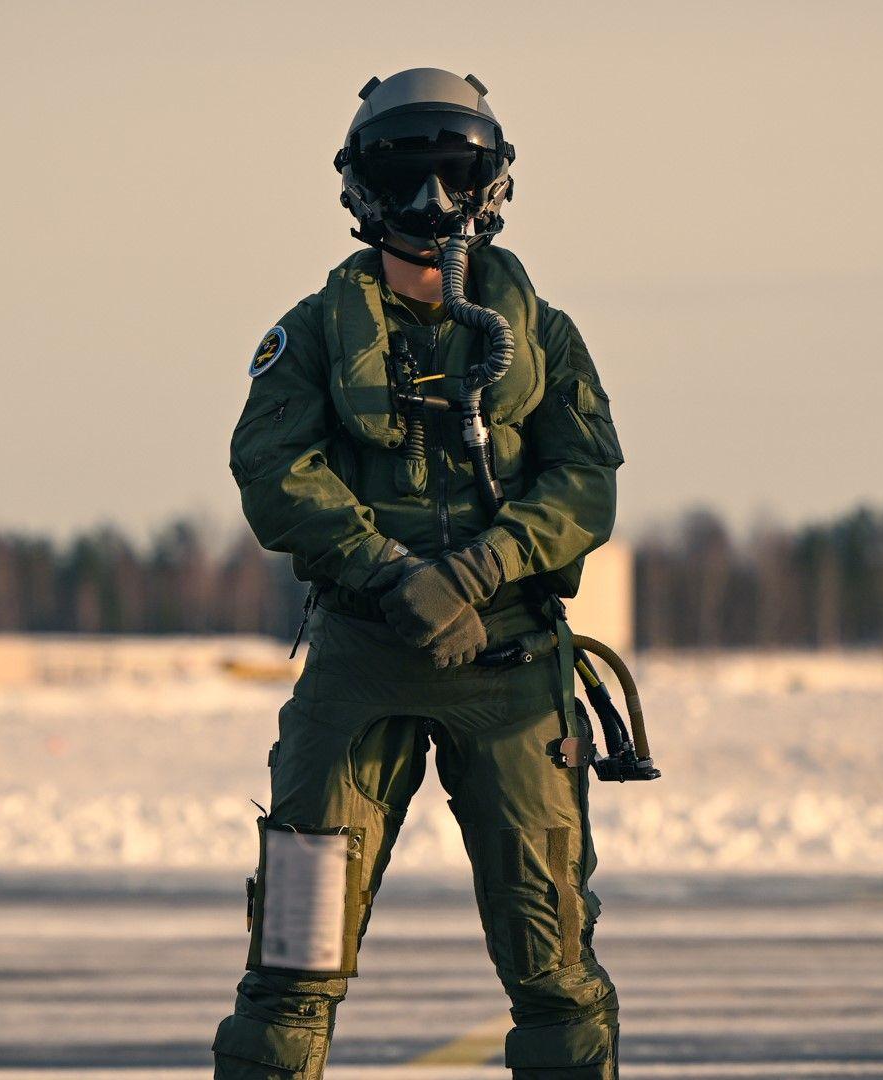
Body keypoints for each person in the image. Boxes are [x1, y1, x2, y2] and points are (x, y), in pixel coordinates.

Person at [212, 68, 627, 1078]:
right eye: (406, 177)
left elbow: (585, 487)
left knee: (554, 966)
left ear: (490, 185)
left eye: (454, 174)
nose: (431, 204)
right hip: (363, 667)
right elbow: (273, 470)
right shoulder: (311, 336)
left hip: (511, 669)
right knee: (293, 960)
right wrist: (394, 575)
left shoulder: (546, 338)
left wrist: (481, 568)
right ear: (362, 190)